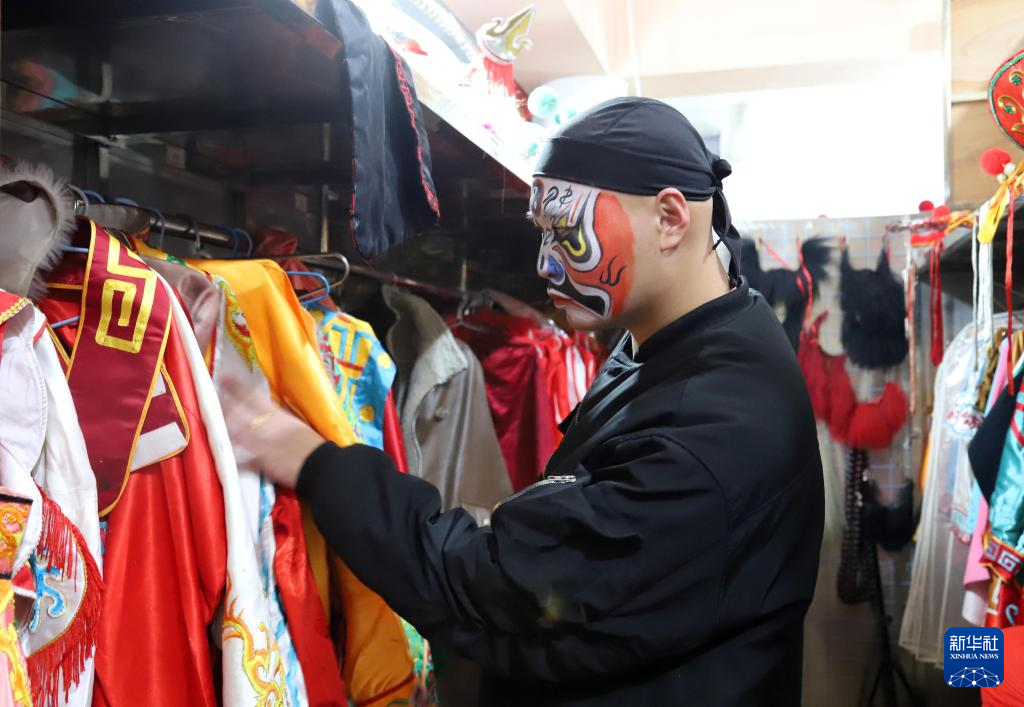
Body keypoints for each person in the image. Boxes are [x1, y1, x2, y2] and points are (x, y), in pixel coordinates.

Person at [224, 97, 824, 706]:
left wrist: (314, 462)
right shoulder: (696, 332)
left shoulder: (712, 419)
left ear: (670, 219)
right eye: (544, 233)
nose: (543, 263)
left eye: (566, 232)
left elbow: (496, 592)